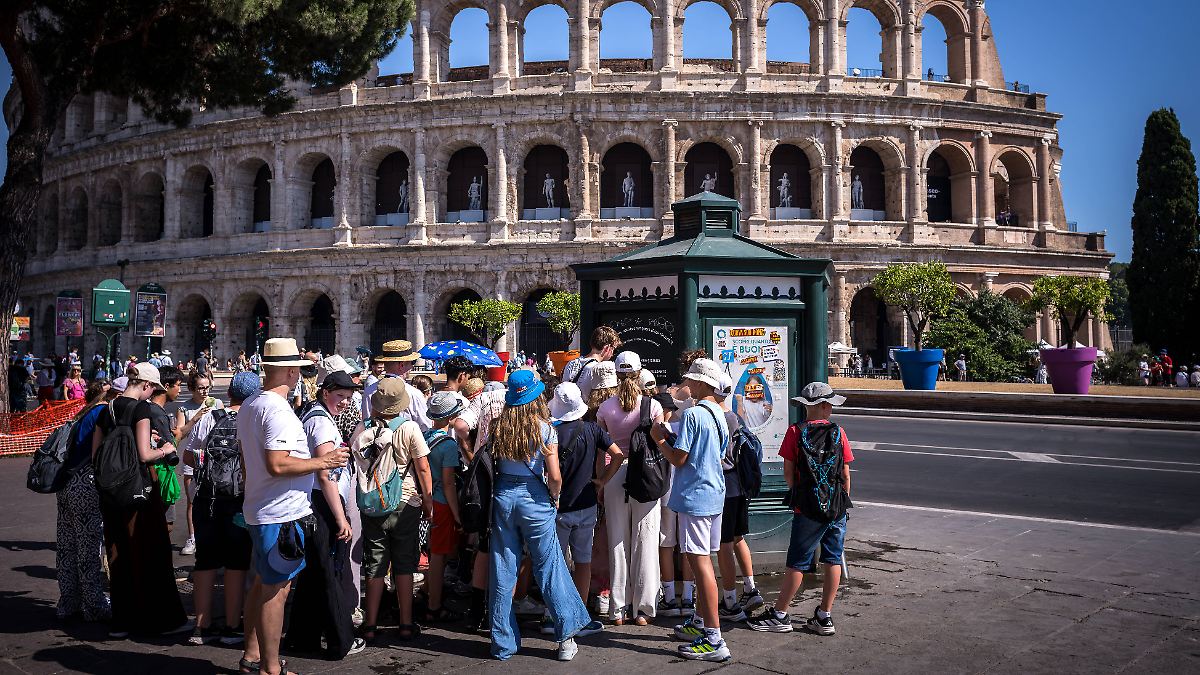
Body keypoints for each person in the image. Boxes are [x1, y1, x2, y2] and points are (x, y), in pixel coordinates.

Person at [237, 338, 350, 675]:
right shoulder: (278, 410)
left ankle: (252, 655)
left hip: (261, 505)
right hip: (281, 512)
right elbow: (279, 464)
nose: (301, 375)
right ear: (289, 371)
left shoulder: (252, 404)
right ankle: (271, 667)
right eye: (299, 370)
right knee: (276, 591)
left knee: (261, 583)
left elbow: (250, 462)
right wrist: (325, 461)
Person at [488, 369, 591, 661]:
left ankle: (503, 643)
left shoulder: (499, 427)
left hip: (504, 497)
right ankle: (566, 639)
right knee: (550, 567)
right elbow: (555, 475)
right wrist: (555, 497)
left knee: (502, 568)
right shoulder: (545, 429)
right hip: (534, 498)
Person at [749, 382, 854, 637]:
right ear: (825, 406)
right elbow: (845, 474)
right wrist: (840, 502)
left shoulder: (795, 432)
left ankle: (781, 614)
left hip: (807, 507)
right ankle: (824, 615)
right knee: (832, 558)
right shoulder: (839, 432)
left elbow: (788, 474)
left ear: (805, 406)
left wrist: (804, 496)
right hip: (836, 507)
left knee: (797, 562)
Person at [92, 363, 190, 638]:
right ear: (146, 386)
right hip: (139, 491)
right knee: (151, 553)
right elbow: (146, 455)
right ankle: (163, 620)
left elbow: (95, 455)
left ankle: (122, 621)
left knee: (118, 553)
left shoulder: (106, 409)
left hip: (110, 494)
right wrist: (166, 448)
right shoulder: (142, 409)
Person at [649, 358, 731, 661]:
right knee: (704, 561)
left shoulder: (696, 413)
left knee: (700, 565)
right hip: (713, 493)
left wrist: (660, 441)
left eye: (690, 380)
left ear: (700, 384)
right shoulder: (717, 413)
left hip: (696, 495)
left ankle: (714, 637)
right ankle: (700, 623)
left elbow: (680, 459)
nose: (687, 384)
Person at [286, 370, 366, 659]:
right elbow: (324, 472)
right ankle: (339, 640)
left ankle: (301, 636)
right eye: (340, 396)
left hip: (314, 500)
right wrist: (341, 517)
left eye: (348, 397)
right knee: (328, 573)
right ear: (326, 391)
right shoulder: (320, 422)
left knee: (313, 574)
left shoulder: (314, 413)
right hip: (322, 502)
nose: (345, 402)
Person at [353, 377, 433, 642]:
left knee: (375, 564)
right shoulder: (409, 428)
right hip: (405, 502)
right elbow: (422, 467)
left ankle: (371, 624)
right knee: (403, 563)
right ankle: (406, 623)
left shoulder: (362, 428)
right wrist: (428, 502)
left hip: (372, 502)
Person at [182, 372, 258, 647]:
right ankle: (231, 626)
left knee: (205, 562)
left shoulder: (209, 418)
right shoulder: (251, 422)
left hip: (207, 499)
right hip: (238, 501)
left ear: (229, 394)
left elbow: (188, 456)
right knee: (236, 563)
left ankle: (200, 627)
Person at [543, 382, 620, 636]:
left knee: (556, 563)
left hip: (559, 506)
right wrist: (602, 481)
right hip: (586, 504)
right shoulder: (593, 430)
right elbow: (617, 455)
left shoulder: (551, 432)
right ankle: (580, 615)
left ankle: (551, 615)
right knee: (583, 562)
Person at [596, 351, 662, 626]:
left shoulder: (605, 409)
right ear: (639, 373)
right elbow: (660, 444)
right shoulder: (653, 406)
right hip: (645, 475)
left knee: (617, 542)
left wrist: (600, 481)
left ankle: (618, 609)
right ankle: (643, 609)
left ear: (616, 374)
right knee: (645, 540)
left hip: (613, 475)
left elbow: (602, 453)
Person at [55, 379, 113, 623]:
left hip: (67, 482)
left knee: (68, 545)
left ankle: (68, 602)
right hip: (85, 482)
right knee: (89, 546)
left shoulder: (83, 412)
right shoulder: (101, 413)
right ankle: (94, 605)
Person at [713, 374, 763, 623]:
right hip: (739, 488)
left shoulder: (717, 417)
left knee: (724, 544)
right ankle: (750, 588)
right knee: (737, 538)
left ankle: (730, 601)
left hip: (724, 488)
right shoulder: (735, 417)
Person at [422, 392, 468, 623]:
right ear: (452, 417)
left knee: (432, 551)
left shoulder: (424, 436)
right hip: (441, 502)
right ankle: (434, 605)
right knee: (438, 556)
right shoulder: (448, 445)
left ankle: (428, 592)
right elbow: (449, 483)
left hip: (424, 500)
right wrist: (457, 515)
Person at [176, 371, 224, 556]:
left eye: (207, 388)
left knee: (216, 496)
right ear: (192, 389)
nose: (205, 392)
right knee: (192, 499)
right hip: (192, 458)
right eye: (200, 388)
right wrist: (196, 418)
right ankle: (192, 537)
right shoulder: (184, 408)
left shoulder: (217, 403)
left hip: (213, 457)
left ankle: (214, 533)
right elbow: (180, 434)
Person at [361, 339, 430, 431]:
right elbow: (425, 427)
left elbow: (367, 424)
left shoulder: (369, 391)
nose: (412, 366)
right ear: (401, 365)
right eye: (412, 362)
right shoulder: (414, 394)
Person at [561, 326, 623, 399]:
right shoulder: (600, 370)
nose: (613, 354)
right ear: (607, 348)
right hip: (587, 409)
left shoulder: (571, 363)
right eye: (614, 350)